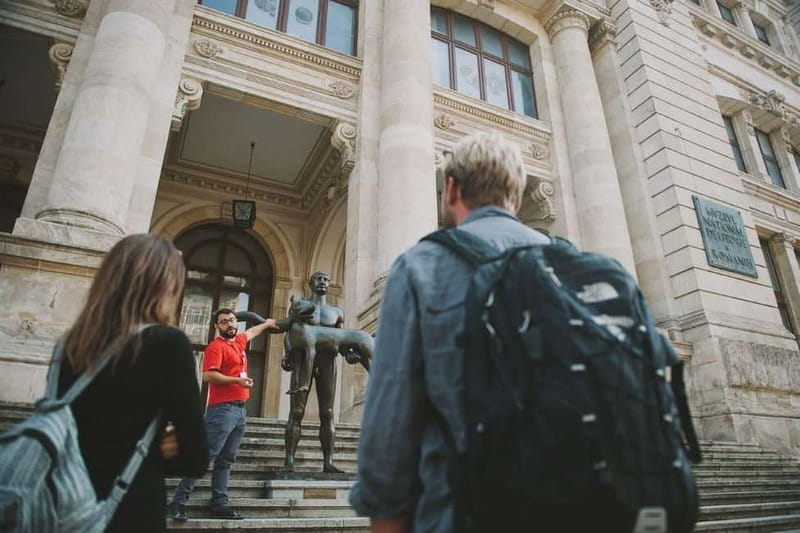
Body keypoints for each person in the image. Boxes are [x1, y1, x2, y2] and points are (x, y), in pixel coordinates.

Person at [349, 133, 549, 532]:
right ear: (517, 197)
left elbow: (390, 420)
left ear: (451, 189)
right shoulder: (579, 267)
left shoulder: (422, 266)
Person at [56, 233, 209, 533]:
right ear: (166, 286)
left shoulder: (70, 344)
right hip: (130, 506)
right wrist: (158, 449)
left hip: (62, 502)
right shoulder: (168, 343)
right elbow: (196, 457)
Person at [168, 308, 278, 520]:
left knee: (226, 460)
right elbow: (209, 375)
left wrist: (267, 324)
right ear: (217, 326)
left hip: (239, 411)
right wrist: (236, 381)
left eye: (232, 321)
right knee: (206, 456)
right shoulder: (215, 347)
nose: (230, 324)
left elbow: (252, 332)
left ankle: (219, 503)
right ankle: (178, 502)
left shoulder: (238, 342)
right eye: (224, 322)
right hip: (222, 410)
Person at [281, 271, 345, 473]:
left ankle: (328, 461)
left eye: (326, 279)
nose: (323, 282)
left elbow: (341, 339)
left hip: (327, 361)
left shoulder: (336, 312)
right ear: (310, 283)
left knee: (327, 413)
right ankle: (289, 460)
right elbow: (290, 331)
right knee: (297, 411)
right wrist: (287, 354)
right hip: (302, 360)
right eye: (319, 279)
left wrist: (350, 353)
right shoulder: (300, 305)